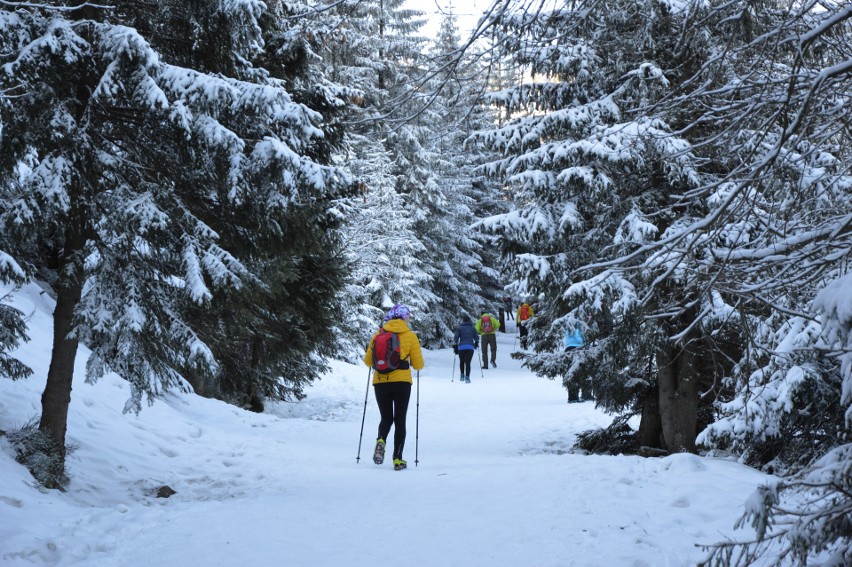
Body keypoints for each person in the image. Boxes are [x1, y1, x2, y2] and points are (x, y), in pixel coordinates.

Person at [363, 304, 425, 471]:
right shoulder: (410, 335)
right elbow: (419, 365)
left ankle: (381, 439)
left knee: (386, 418)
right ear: (404, 317)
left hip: (380, 382)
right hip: (402, 383)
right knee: (400, 420)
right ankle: (397, 459)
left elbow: (368, 361)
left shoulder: (378, 334)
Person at [453, 316, 479, 383]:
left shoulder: (460, 328)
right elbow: (476, 337)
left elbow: (456, 337)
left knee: (461, 361)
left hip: (461, 347)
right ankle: (467, 377)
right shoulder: (472, 328)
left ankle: (462, 375)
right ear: (469, 321)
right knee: (468, 362)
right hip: (470, 347)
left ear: (463, 321)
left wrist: (455, 345)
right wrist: (476, 343)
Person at [563, 324, 585, 403]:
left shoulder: (568, 328)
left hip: (568, 349)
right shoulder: (577, 329)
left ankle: (572, 397)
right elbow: (579, 340)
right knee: (577, 373)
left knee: (571, 373)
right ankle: (574, 397)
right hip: (577, 349)